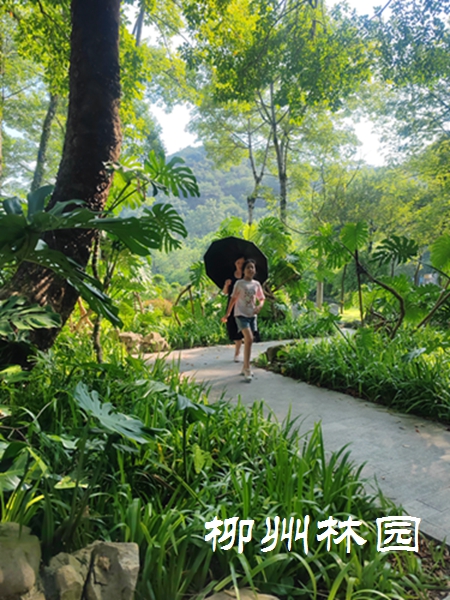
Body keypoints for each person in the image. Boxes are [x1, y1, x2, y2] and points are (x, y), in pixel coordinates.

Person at [222, 259, 265, 382]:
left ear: (255, 270)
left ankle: (244, 366)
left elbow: (262, 298)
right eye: (248, 267)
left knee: (249, 341)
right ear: (244, 270)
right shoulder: (239, 283)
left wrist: (260, 306)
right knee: (249, 338)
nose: (250, 269)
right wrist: (227, 314)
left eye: (252, 267)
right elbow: (233, 299)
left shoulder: (256, 284)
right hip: (240, 314)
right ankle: (247, 368)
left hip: (252, 315)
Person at [222, 256, 245, 361]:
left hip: (243, 305)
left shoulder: (247, 276)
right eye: (238, 263)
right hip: (232, 304)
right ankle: (238, 349)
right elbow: (225, 292)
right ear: (235, 264)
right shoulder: (230, 276)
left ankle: (237, 352)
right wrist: (226, 285)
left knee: (243, 327)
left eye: (242, 263)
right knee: (232, 327)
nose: (240, 265)